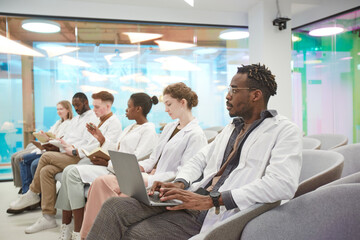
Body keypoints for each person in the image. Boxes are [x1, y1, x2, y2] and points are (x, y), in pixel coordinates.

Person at [86, 64, 303, 240]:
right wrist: (180, 182)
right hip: (193, 198)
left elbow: (282, 184)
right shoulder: (232, 127)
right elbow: (200, 159)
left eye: (234, 90)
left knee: (134, 233)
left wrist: (214, 200)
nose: (228, 96)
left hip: (217, 211)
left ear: (256, 95)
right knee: (114, 207)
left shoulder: (284, 131)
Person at [81, 82, 208, 239]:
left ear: (183, 102)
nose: (166, 109)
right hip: (149, 175)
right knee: (101, 182)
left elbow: (183, 175)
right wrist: (138, 167)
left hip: (162, 183)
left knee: (116, 198)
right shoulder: (170, 127)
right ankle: (88, 235)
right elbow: (154, 158)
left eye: (169, 104)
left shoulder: (196, 135)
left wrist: (148, 177)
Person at [8, 91, 122, 234]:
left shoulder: (112, 123)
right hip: (77, 152)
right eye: (94, 106)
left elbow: (103, 147)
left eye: (97, 106)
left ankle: (32, 193)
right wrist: (63, 145)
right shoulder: (98, 120)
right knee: (46, 170)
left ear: (108, 105)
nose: (94, 110)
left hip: (86, 158)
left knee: (45, 158)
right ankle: (48, 217)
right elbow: (85, 142)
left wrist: (75, 150)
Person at [56, 93, 159, 240]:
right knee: (68, 171)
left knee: (71, 173)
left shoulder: (148, 131)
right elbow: (118, 148)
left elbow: (133, 160)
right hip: (112, 166)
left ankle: (79, 231)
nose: (126, 110)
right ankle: (70, 227)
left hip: (120, 172)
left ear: (138, 109)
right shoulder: (131, 127)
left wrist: (107, 161)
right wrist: (101, 138)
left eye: (129, 107)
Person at [17, 100, 73, 195]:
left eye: (61, 109)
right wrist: (44, 135)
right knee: (23, 159)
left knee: (32, 163)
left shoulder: (71, 123)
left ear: (68, 110)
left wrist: (50, 138)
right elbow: (51, 133)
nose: (59, 111)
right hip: (47, 147)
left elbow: (63, 140)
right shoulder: (58, 122)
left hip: (56, 150)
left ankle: (32, 193)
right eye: (57, 109)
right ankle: (27, 192)